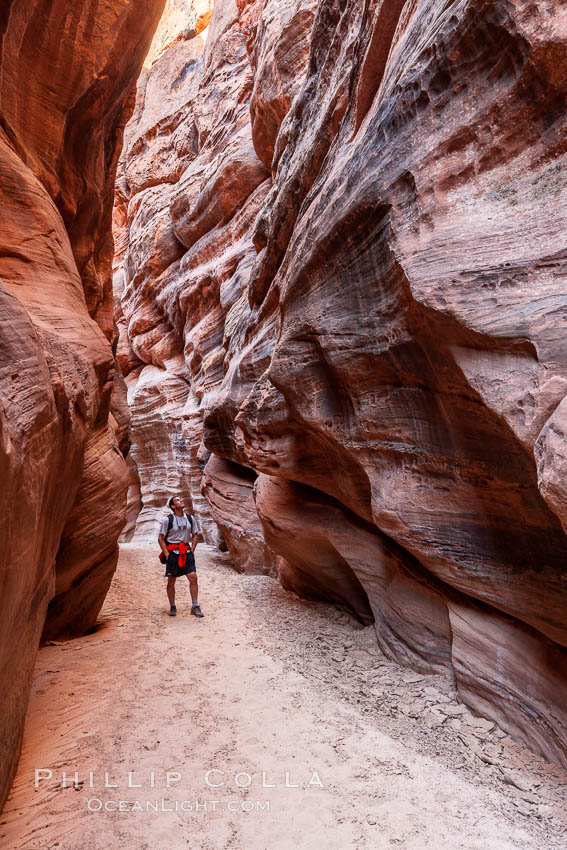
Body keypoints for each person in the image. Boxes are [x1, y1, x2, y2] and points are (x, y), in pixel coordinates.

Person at [158, 496, 204, 618]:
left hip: (186, 551)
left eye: (181, 499)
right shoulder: (168, 520)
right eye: (178, 500)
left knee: (193, 577)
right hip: (173, 553)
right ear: (173, 506)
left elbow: (195, 535)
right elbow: (161, 538)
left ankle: (195, 606)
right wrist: (167, 553)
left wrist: (192, 549)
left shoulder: (190, 518)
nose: (181, 501)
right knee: (171, 581)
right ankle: (172, 606)